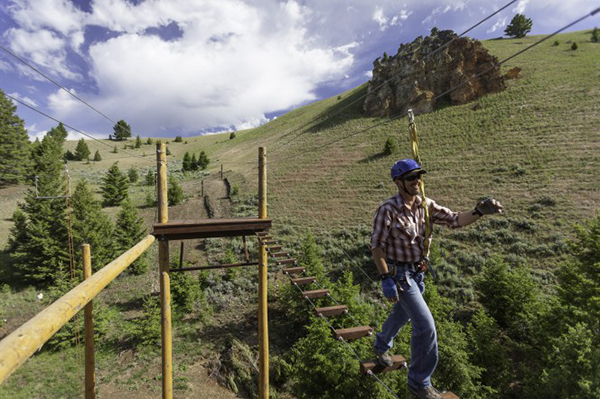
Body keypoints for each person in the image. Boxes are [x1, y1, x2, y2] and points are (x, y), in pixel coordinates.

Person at [371, 159, 503, 399]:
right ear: (399, 182)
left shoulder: (425, 205)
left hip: (418, 273)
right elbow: (377, 246)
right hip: (400, 275)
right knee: (425, 326)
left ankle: (380, 346)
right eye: (411, 178)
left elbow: (454, 219)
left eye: (418, 176)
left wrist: (478, 211)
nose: (417, 181)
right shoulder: (388, 209)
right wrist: (385, 277)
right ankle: (419, 382)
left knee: (401, 314)